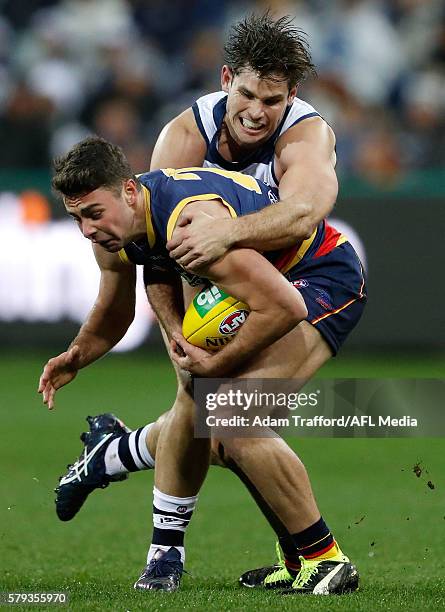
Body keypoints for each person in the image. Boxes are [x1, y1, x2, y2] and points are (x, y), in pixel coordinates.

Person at [39, 135, 365, 595]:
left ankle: (325, 559)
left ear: (129, 191)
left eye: (94, 214)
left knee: (231, 417)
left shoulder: (192, 226)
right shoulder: (116, 228)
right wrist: (76, 355)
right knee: (215, 435)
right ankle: (296, 559)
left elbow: (285, 306)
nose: (88, 229)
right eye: (77, 218)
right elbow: (116, 313)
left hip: (319, 277)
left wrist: (215, 366)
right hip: (273, 287)